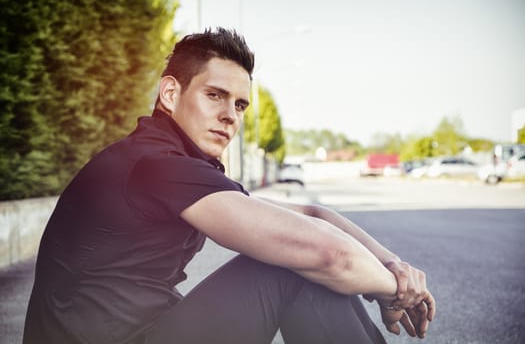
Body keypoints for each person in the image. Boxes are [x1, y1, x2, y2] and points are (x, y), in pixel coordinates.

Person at [23, 27, 435, 344]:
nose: (230, 116)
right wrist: (395, 290)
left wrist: (393, 264)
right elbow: (330, 255)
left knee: (297, 253)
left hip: (143, 331)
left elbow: (310, 216)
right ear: (170, 93)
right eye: (215, 95)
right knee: (292, 270)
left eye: (239, 105)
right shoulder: (155, 165)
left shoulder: (168, 162)